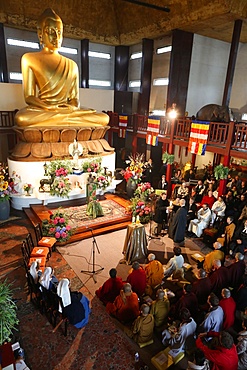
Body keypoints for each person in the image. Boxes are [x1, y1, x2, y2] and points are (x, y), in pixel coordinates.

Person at [15, 8, 109, 128]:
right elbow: (29, 97)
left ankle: (64, 121)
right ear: (40, 34)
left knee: (103, 118)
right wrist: (49, 107)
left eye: (59, 32)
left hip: (66, 111)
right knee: (22, 118)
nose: (56, 36)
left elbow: (74, 99)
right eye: (50, 31)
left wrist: (72, 107)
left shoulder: (72, 64)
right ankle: (66, 123)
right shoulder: (29, 58)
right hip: (45, 110)